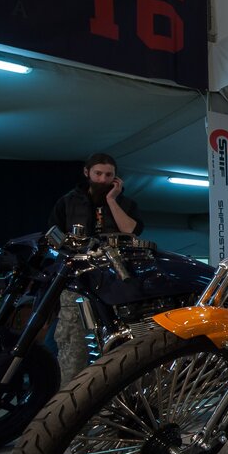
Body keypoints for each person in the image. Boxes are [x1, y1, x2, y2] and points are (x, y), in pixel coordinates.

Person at [48, 153, 144, 385]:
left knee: (117, 337)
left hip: (114, 280)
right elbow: (53, 236)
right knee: (72, 339)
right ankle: (68, 392)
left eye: (108, 175)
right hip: (77, 280)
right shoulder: (68, 202)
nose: (103, 179)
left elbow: (132, 231)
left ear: (116, 177)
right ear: (87, 172)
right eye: (98, 174)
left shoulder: (126, 203)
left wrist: (112, 200)